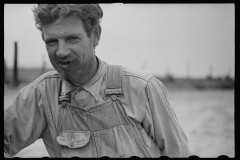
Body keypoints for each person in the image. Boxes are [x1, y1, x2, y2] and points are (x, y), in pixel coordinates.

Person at [4, 4, 191, 158]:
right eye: (51, 42)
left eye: (72, 39)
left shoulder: (142, 87)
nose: (61, 51)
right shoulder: (42, 94)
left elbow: (178, 153)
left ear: (95, 35)